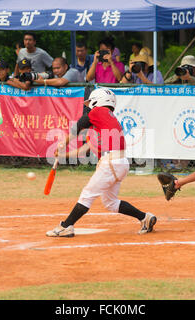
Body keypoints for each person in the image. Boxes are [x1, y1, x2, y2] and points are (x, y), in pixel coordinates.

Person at [46, 88, 157, 237]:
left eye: (91, 103)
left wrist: (64, 142)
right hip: (119, 162)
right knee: (111, 203)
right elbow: (84, 150)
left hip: (111, 162)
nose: (90, 106)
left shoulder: (98, 112)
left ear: (98, 101)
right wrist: (62, 154)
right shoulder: (106, 121)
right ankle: (145, 218)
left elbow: (78, 125)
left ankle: (66, 226)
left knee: (87, 195)